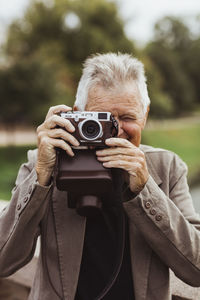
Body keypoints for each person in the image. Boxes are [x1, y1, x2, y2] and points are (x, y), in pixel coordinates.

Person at [0, 53, 200, 300]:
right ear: (76, 114)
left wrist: (145, 190)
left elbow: (196, 269)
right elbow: (3, 260)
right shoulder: (43, 164)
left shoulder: (167, 167)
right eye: (100, 120)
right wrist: (41, 177)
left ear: (145, 115)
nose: (114, 132)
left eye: (127, 118)